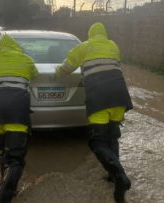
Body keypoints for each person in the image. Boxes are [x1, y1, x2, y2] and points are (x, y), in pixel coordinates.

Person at [55, 22, 133, 203]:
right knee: (112, 137)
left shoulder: (82, 48)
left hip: (99, 98)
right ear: (104, 34)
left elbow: (64, 70)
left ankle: (119, 174)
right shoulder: (113, 45)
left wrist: (56, 74)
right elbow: (112, 67)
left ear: (89, 35)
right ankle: (113, 177)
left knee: (96, 141)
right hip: (120, 96)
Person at [0, 35, 38, 203]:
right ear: (16, 47)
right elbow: (33, 75)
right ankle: (5, 195)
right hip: (17, 111)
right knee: (16, 158)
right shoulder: (26, 60)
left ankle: (4, 182)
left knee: (3, 151)